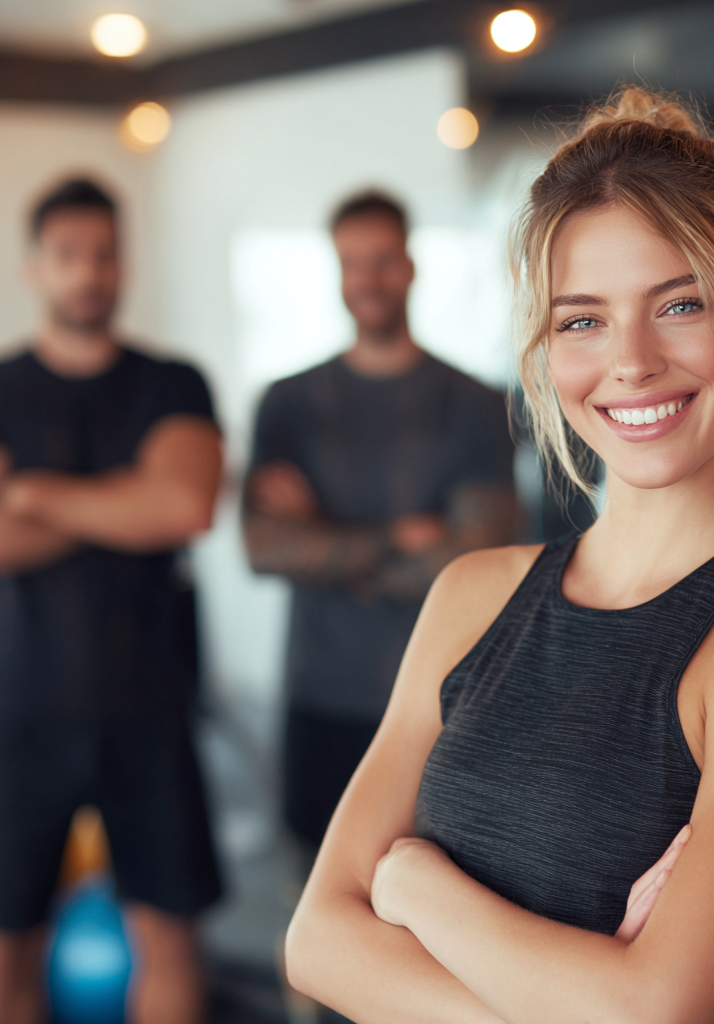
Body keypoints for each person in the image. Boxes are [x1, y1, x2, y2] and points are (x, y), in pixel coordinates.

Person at [283, 88, 714, 1024]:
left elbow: (652, 1011)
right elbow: (315, 943)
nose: (630, 362)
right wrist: (570, 997)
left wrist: (412, 887)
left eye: (679, 304)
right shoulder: (473, 592)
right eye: (582, 320)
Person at [0, 178, 223, 1024]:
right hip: (20, 711)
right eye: (70, 255)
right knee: (4, 942)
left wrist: (33, 492)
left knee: (171, 940)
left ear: (124, 262)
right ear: (34, 267)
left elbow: (182, 507)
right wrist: (123, 501)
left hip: (148, 706)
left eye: (105, 253)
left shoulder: (172, 382)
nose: (90, 271)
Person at [243, 191, 518, 859]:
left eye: (382, 260)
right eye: (351, 263)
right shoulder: (288, 405)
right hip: (322, 695)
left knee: (435, 905)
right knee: (316, 903)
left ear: (411, 267)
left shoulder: (475, 404)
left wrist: (325, 542)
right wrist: (398, 539)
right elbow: (263, 548)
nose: (367, 278)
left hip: (444, 703)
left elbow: (477, 561)